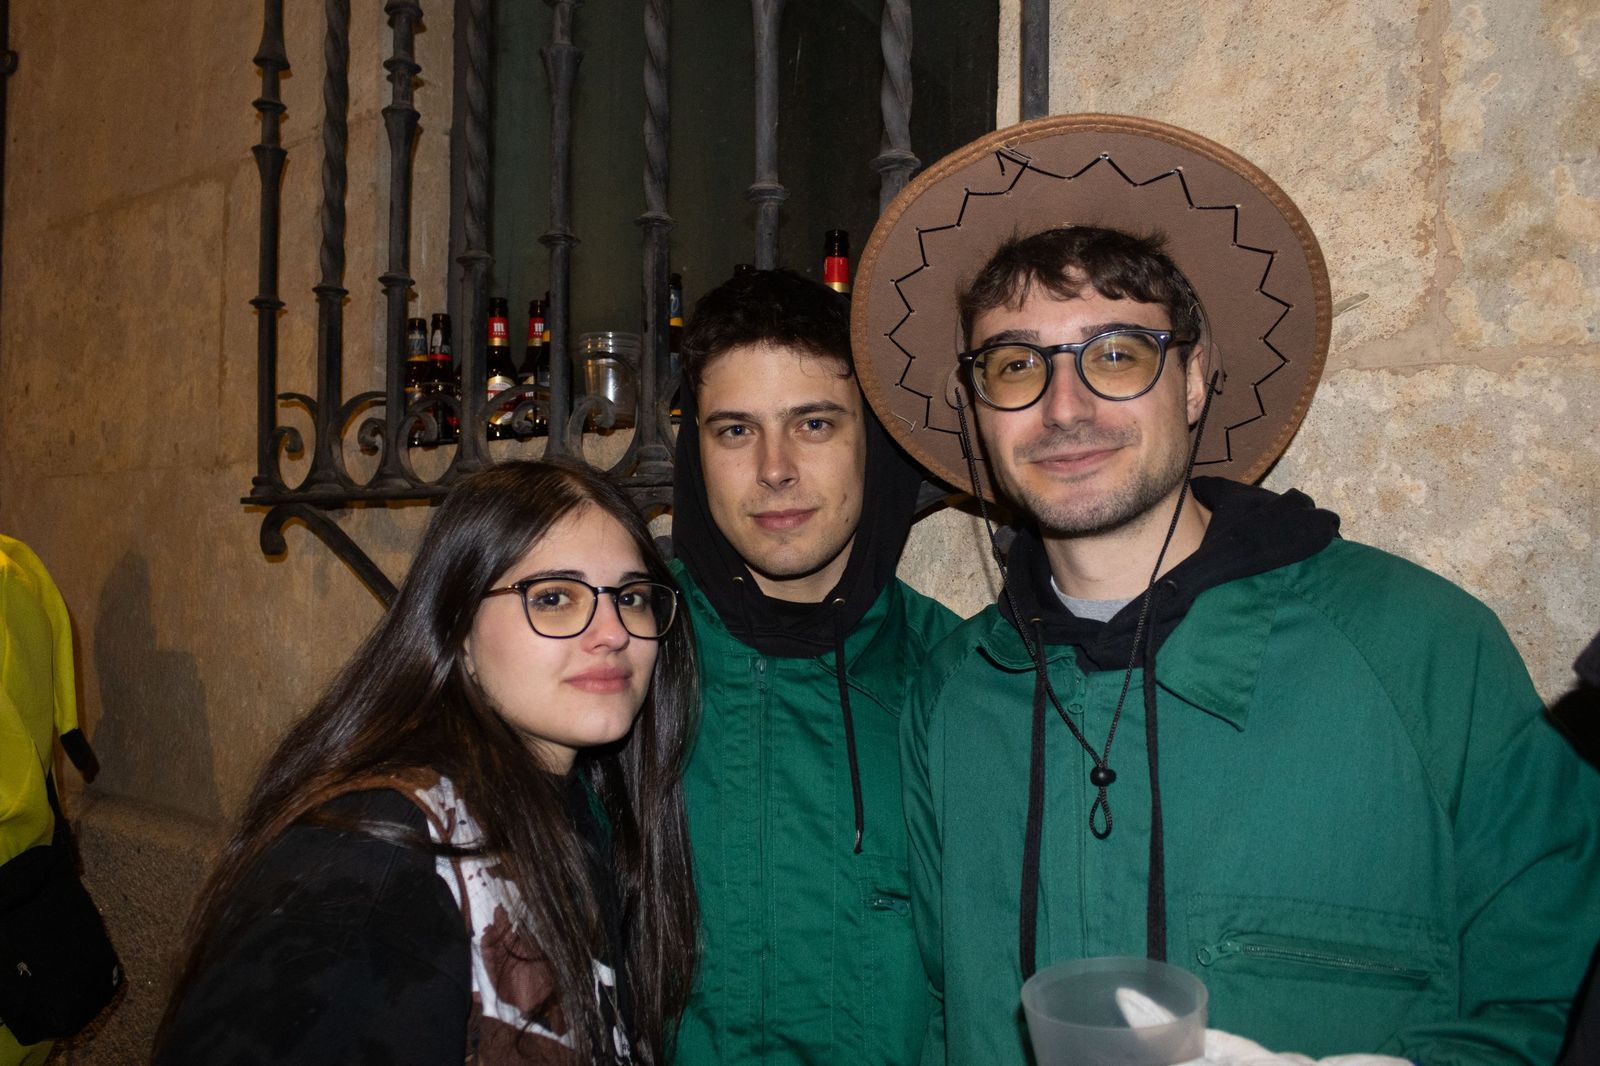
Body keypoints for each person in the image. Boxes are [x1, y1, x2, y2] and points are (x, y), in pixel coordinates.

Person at [849, 115, 1600, 1064]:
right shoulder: (954, 697)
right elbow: (937, 1011)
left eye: (1116, 354)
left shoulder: (1425, 653)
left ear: (1196, 378)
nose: (1065, 407)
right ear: (975, 409)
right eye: (1015, 365)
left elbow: (1550, 1006)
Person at [154, 458, 699, 1064]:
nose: (613, 631)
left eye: (631, 597)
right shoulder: (381, 852)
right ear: (457, 628)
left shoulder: (582, 812)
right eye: (553, 597)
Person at [668, 269, 960, 1064]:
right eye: (734, 430)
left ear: (874, 442)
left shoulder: (966, 683)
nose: (774, 468)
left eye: (815, 424)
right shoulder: (623, 659)